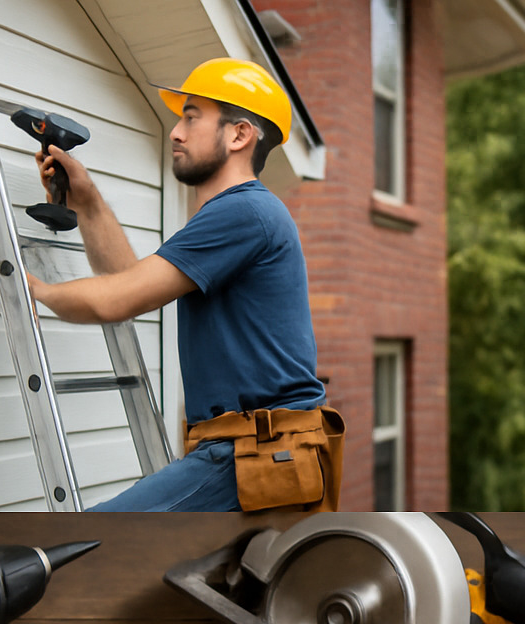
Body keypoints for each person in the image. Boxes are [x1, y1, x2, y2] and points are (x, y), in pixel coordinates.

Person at [24, 58, 341, 512]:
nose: (175, 131)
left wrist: (34, 290)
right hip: (247, 453)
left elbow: (116, 299)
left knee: (87, 546)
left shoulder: (244, 214)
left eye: (192, 117)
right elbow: (130, 284)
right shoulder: (233, 217)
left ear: (239, 135)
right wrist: (88, 202)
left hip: (253, 455)